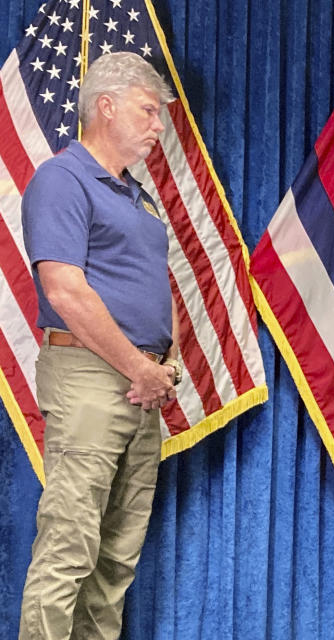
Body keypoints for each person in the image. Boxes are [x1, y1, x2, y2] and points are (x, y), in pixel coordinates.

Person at [19, 52, 182, 639]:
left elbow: (154, 288)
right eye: (148, 110)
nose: (158, 125)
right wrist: (139, 365)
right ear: (105, 106)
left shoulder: (135, 195)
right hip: (92, 378)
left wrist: (161, 366)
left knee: (115, 558)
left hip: (141, 387)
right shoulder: (61, 178)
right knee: (69, 544)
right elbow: (63, 287)